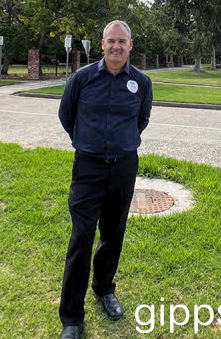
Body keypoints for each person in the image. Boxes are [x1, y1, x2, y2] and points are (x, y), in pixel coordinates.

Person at [58, 20, 153, 339]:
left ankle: (104, 289)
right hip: (88, 168)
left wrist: (121, 143)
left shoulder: (141, 81)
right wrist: (88, 142)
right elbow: (66, 116)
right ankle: (72, 318)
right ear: (102, 45)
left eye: (121, 41)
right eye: (110, 41)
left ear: (130, 45)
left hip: (123, 168)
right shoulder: (81, 78)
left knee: (113, 234)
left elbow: (142, 119)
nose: (116, 46)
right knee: (82, 238)